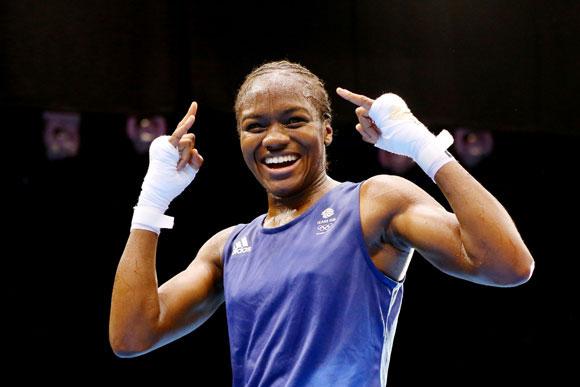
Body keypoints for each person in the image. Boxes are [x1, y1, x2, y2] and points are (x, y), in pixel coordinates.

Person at [109, 60, 534, 386]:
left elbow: (507, 265)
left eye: (293, 120)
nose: (273, 138)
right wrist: (151, 201)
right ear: (240, 140)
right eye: (255, 126)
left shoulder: (374, 203)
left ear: (326, 131)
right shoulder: (228, 247)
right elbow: (131, 337)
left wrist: (423, 145)